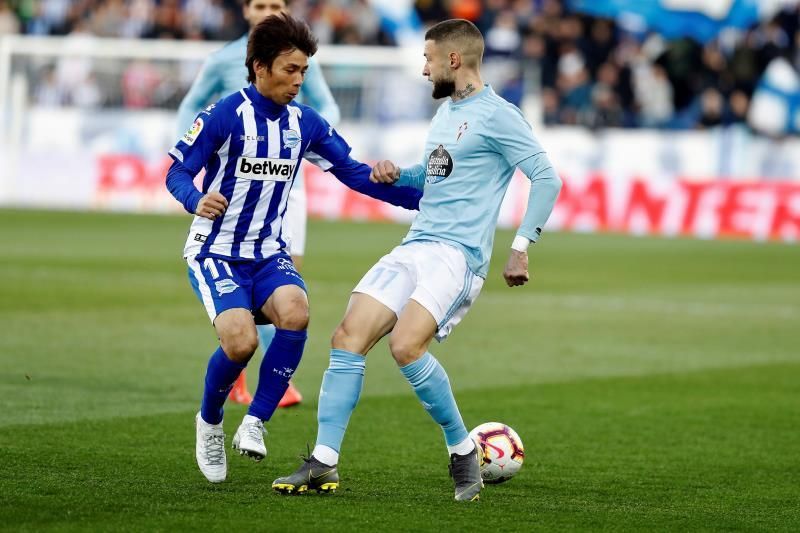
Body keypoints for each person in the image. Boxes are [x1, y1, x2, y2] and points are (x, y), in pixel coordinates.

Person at [272, 19, 562, 501]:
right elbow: (433, 178)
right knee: (347, 337)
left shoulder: (500, 116)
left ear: (454, 59)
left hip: (457, 255)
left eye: (428, 59)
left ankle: (462, 449)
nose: (424, 69)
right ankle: (323, 461)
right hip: (417, 243)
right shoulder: (446, 113)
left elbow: (546, 177)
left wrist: (520, 246)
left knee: (406, 346)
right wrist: (395, 174)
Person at [166, 13, 422, 484]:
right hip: (216, 250)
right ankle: (210, 422)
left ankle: (255, 422)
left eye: (304, 70)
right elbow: (177, 170)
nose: (299, 80)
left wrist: (420, 198)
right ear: (260, 67)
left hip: (267, 251)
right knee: (241, 342)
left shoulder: (305, 123)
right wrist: (194, 199)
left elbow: (354, 173)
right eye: (290, 70)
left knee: (296, 311)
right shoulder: (224, 115)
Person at [176, 0, 341, 407]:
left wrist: (317, 135)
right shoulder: (223, 62)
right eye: (261, 4)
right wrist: (198, 147)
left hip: (287, 187)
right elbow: (191, 105)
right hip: (233, 193)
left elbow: (328, 104)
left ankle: (255, 372)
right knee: (248, 306)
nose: (269, 11)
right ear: (246, 11)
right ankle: (241, 364)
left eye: (277, 4)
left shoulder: (299, 63)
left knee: (285, 289)